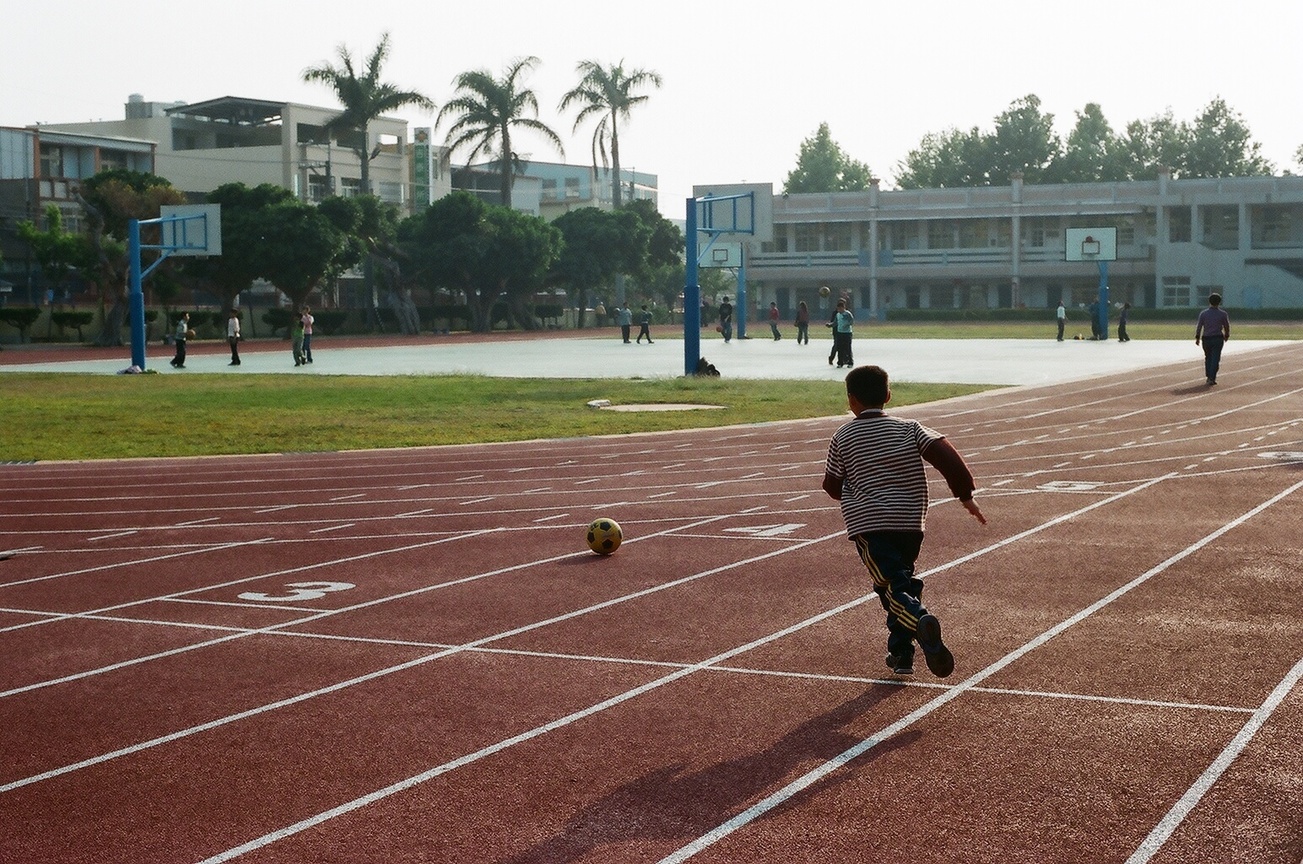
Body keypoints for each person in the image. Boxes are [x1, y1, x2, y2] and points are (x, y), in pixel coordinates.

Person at [822, 364, 986, 678]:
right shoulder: (910, 428)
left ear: (851, 400)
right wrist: (965, 495)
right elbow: (946, 457)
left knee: (891, 587)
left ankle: (918, 616)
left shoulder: (842, 436)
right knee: (902, 581)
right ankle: (902, 654)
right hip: (911, 524)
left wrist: (855, 489)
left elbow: (832, 485)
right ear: (888, 395)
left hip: (870, 525)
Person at [1195, 292, 1231, 385]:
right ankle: (1212, 377)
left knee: (1208, 357)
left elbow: (1199, 326)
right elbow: (1226, 326)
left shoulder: (1203, 314)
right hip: (1217, 338)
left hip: (1206, 338)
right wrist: (1226, 335)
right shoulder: (1223, 314)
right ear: (1219, 302)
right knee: (1215, 358)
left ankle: (1208, 375)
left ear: (1209, 301)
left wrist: (1197, 337)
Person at [827, 298, 854, 367]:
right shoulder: (838, 315)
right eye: (838, 309)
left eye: (840, 308)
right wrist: (830, 325)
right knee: (840, 348)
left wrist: (846, 324)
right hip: (840, 333)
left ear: (843, 307)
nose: (839, 310)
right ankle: (840, 363)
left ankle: (850, 362)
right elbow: (835, 323)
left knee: (848, 348)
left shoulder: (847, 314)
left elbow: (851, 322)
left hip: (847, 333)